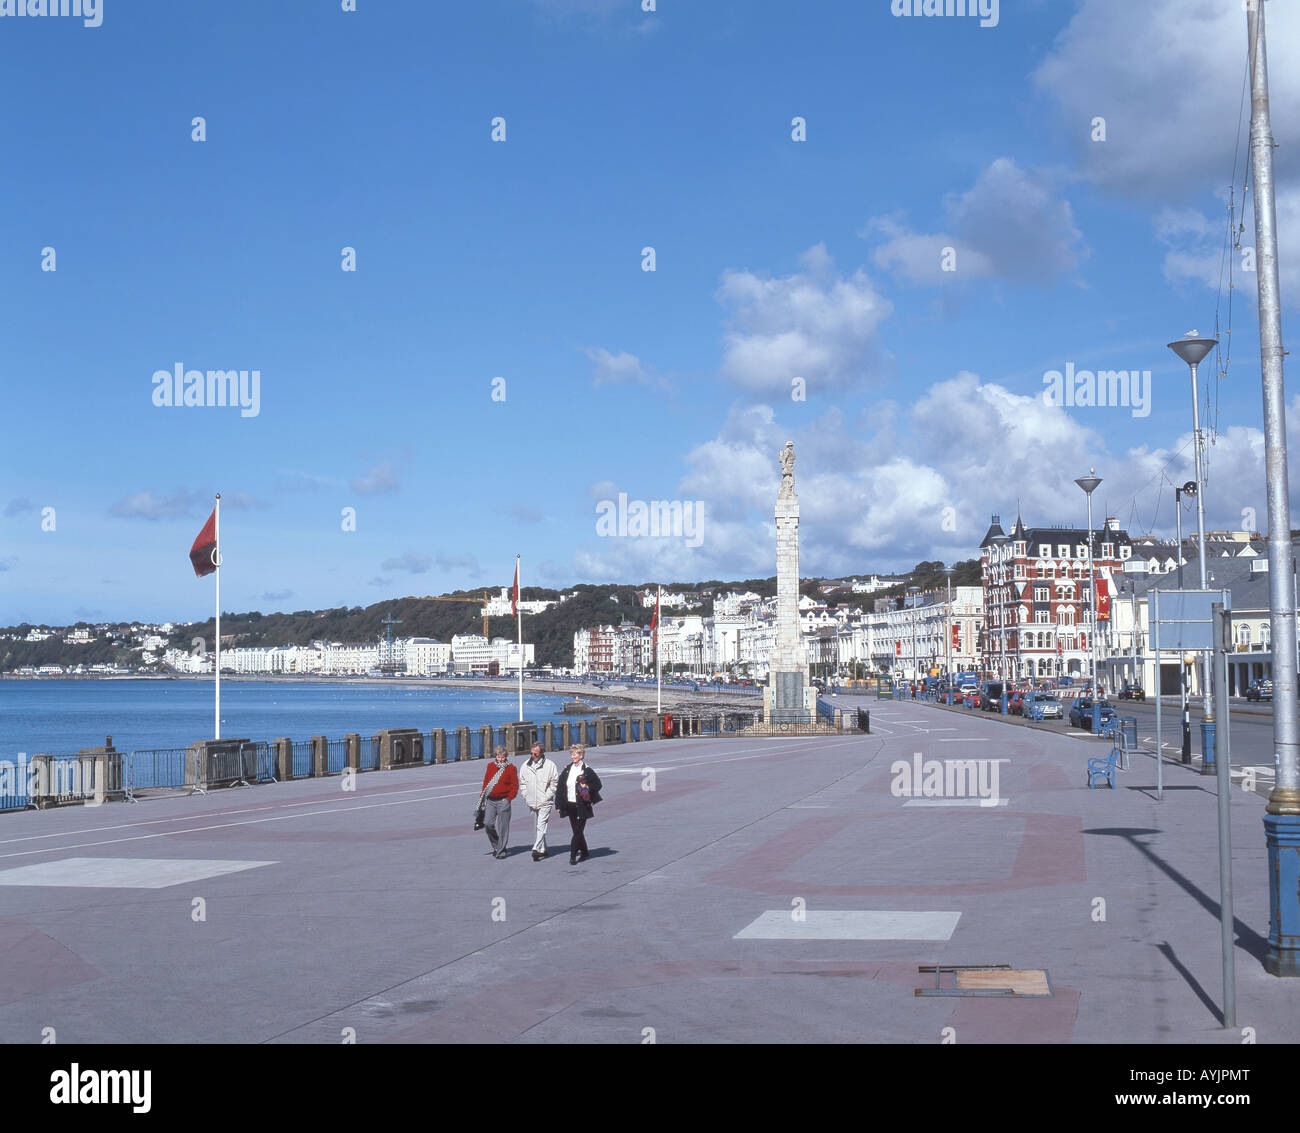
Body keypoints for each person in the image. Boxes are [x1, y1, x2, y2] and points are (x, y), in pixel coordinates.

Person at [554, 744, 602, 865]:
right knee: (577, 831)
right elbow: (560, 788)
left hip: (582, 805)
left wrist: (588, 787)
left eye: (575, 754)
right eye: (572, 754)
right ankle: (585, 852)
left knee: (577, 832)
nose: (573, 756)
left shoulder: (586, 769)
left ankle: (572, 855)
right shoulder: (567, 769)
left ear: (581, 755)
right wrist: (558, 805)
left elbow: (598, 784)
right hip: (570, 805)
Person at [518, 741, 558, 861]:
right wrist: (526, 795)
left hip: (545, 801)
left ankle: (535, 848)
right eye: (531, 753)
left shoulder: (550, 765)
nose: (533, 756)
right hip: (532, 800)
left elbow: (554, 783)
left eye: (535, 754)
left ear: (541, 753)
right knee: (538, 826)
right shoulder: (525, 765)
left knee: (541, 825)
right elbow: (522, 782)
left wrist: (547, 796)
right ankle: (543, 849)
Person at [480, 746, 518, 859]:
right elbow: (486, 782)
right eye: (498, 757)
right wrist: (482, 797)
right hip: (491, 800)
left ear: (506, 757)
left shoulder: (511, 768)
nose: (500, 759)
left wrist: (509, 799)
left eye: (502, 757)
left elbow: (515, 786)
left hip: (503, 800)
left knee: (503, 827)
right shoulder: (490, 766)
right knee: (487, 824)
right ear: (495, 756)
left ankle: (501, 851)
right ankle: (497, 845)